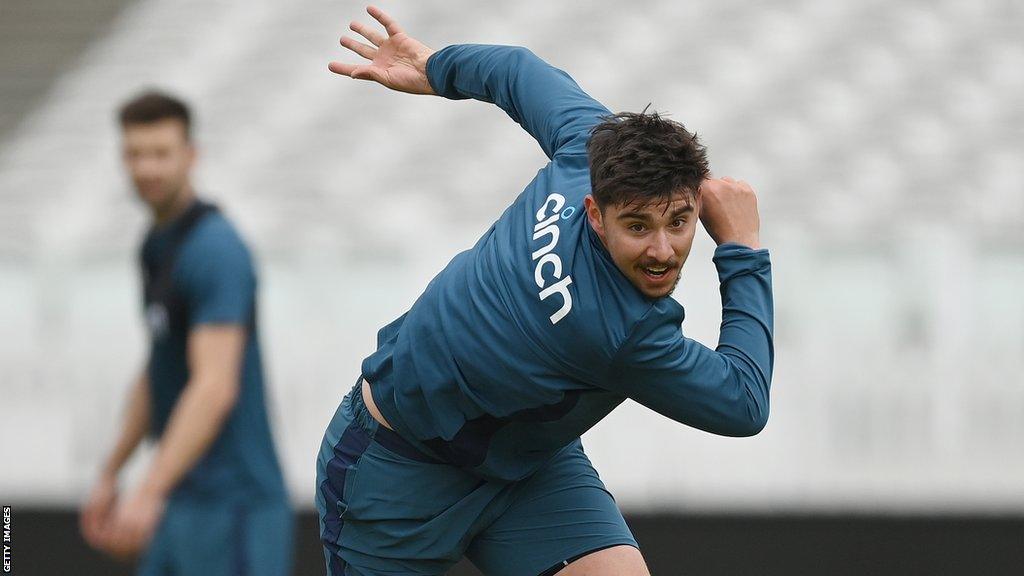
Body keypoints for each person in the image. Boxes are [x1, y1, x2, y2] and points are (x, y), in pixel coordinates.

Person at [316, 7, 773, 576]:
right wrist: (743, 252)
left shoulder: (588, 148)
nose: (662, 249)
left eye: (678, 221)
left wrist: (436, 67)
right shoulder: (620, 332)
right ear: (596, 214)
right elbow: (744, 402)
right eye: (638, 227)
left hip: (527, 467)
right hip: (395, 469)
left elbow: (515, 68)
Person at [79, 91, 293, 576]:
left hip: (234, 506)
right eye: (135, 154)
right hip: (183, 498)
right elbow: (159, 369)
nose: (146, 168)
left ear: (191, 156)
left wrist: (147, 491)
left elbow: (213, 386)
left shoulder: (216, 249)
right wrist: (111, 472)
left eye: (160, 153)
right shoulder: (156, 244)